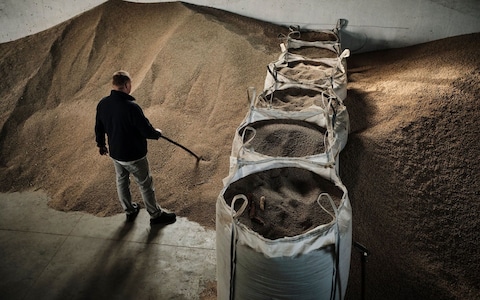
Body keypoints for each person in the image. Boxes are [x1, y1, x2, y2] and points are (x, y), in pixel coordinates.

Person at [95, 70, 176, 225]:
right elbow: (145, 130)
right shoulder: (132, 107)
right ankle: (155, 215)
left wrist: (101, 144)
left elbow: (98, 127)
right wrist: (156, 133)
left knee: (121, 180)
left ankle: (129, 210)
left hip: (115, 153)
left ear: (114, 85)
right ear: (127, 85)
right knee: (145, 184)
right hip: (134, 155)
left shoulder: (103, 104)